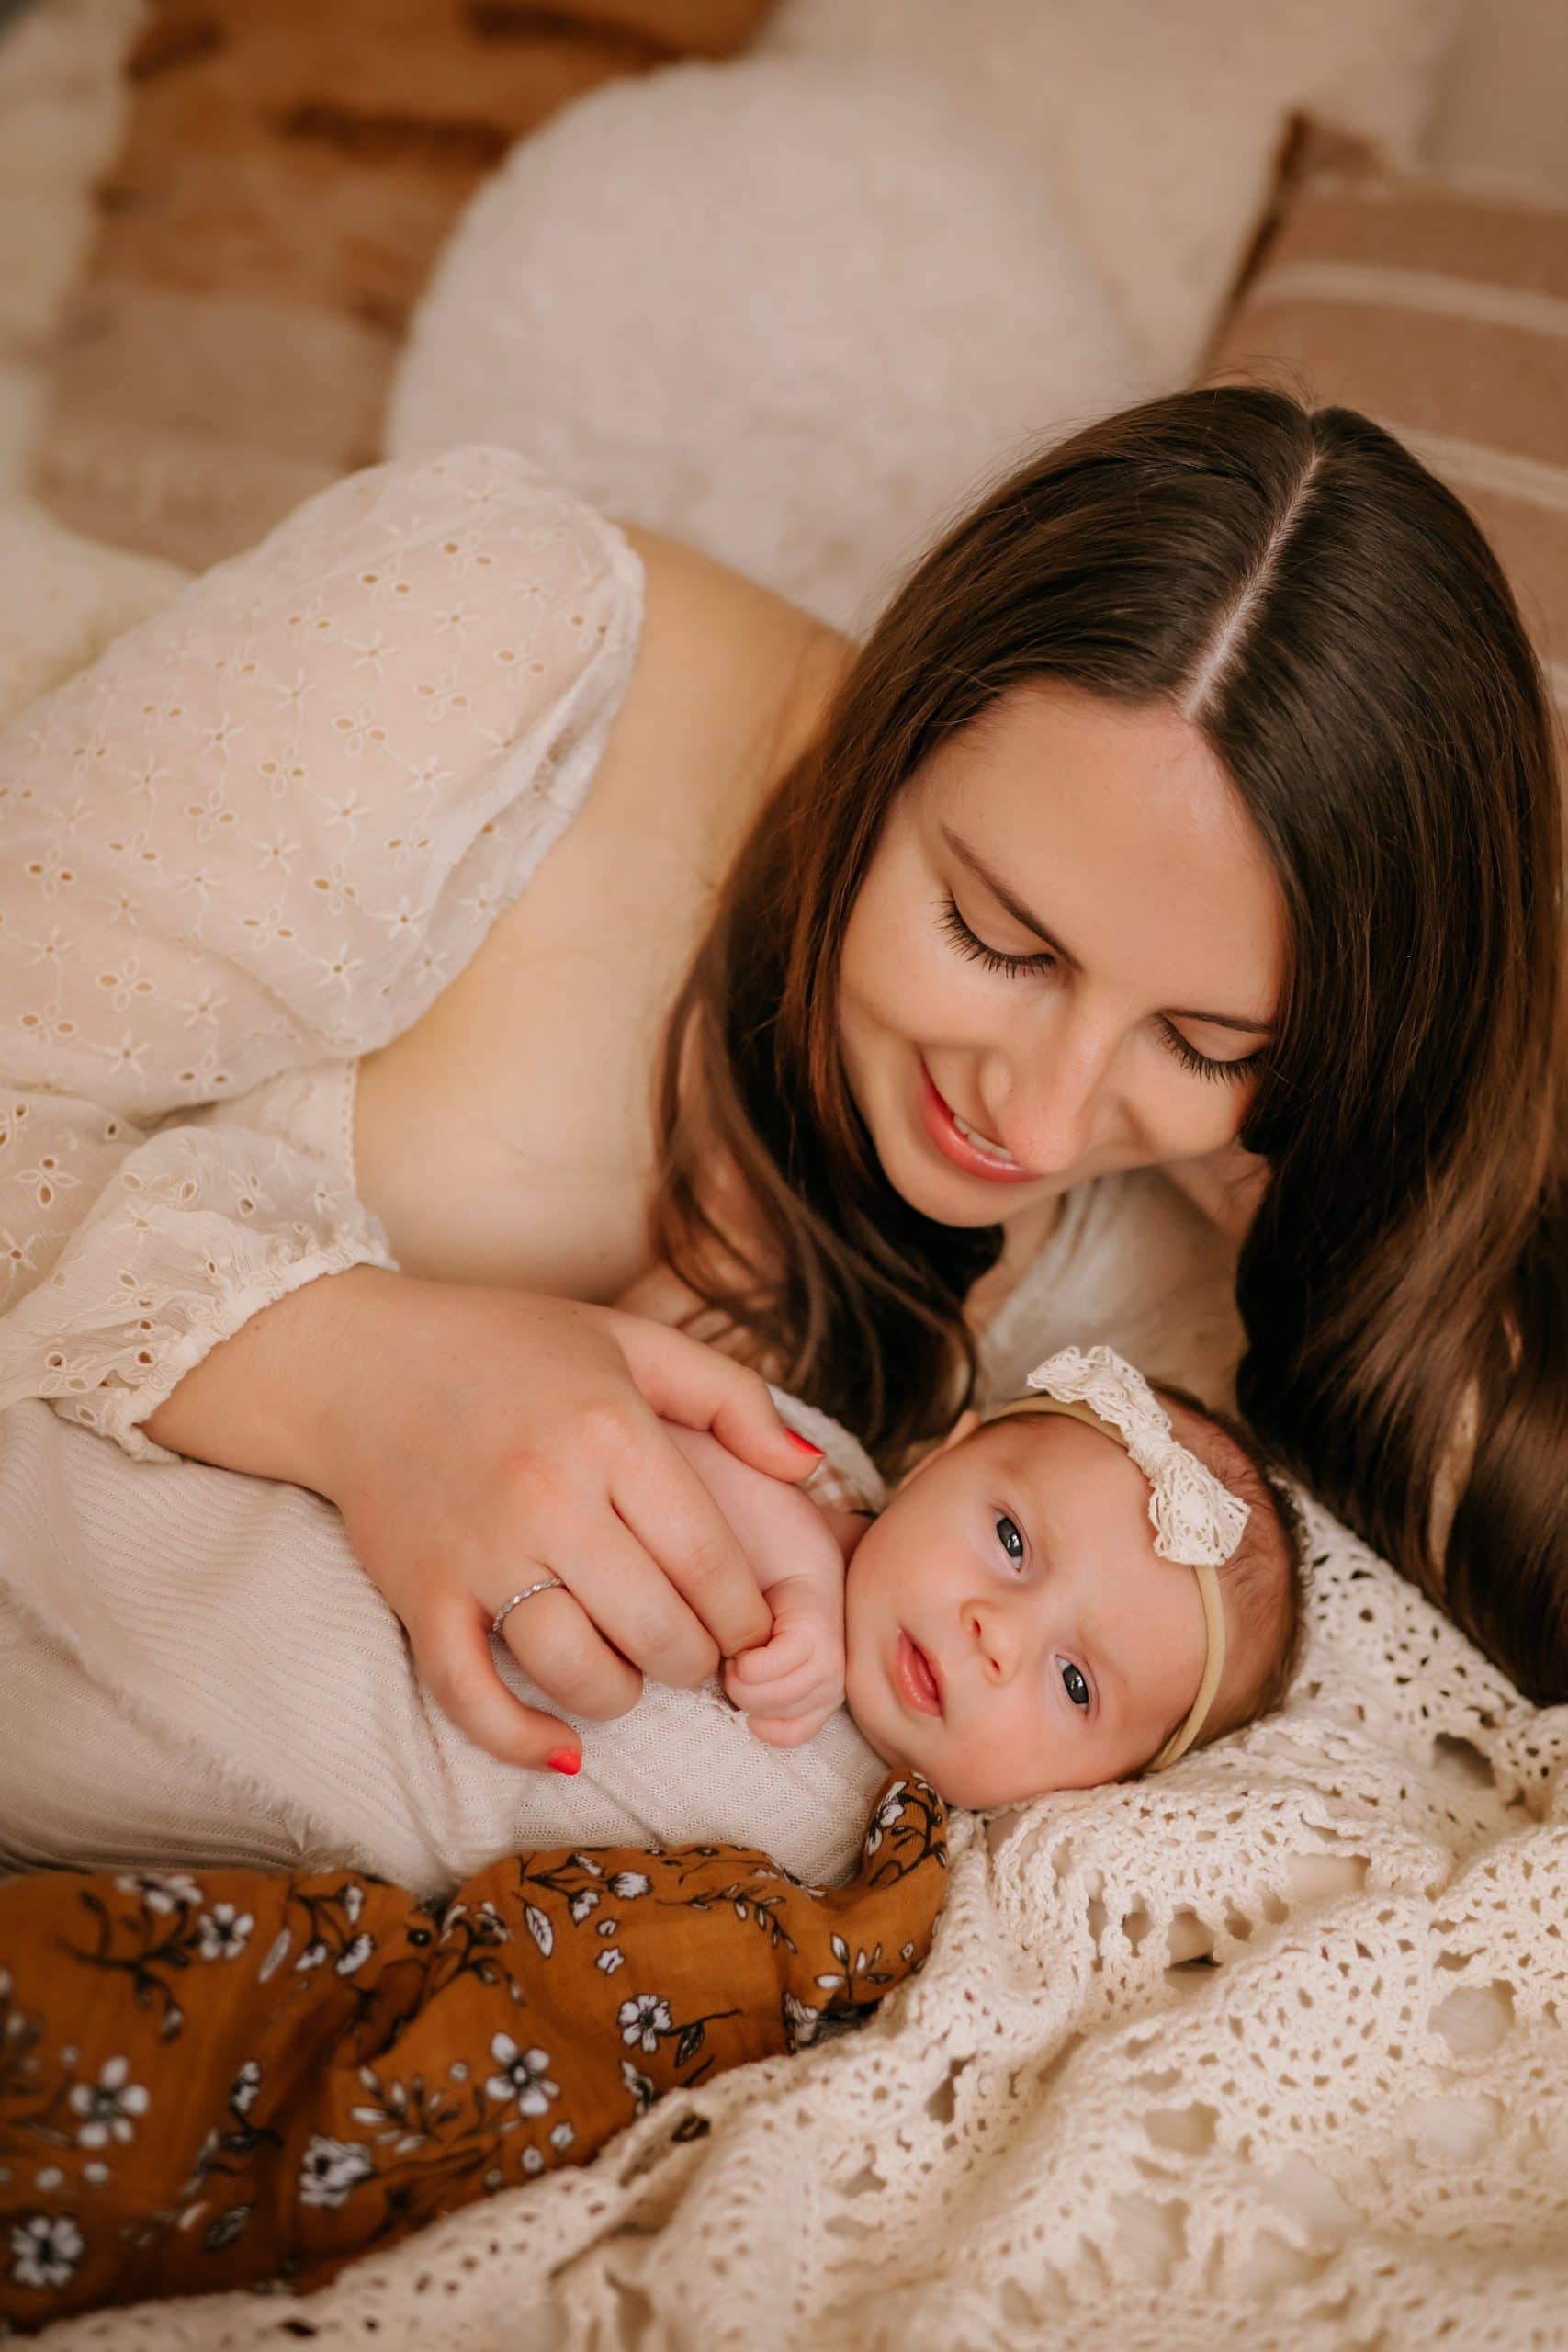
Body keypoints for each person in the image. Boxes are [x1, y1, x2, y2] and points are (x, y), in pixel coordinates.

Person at [1, 388, 1562, 1808]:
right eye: (994, 938)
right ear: (895, 733)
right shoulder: (490, 642)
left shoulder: (1156, 1262)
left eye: (1209, 1044)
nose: (1043, 1115)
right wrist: (348, 1371)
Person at [0, 1344, 1302, 1892]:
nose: (995, 1631)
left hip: (295, 1819)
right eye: (1010, 1540)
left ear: (1107, 1789)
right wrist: (786, 1571)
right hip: (303, 1620)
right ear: (946, 1452)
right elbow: (623, 1426)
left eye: (1074, 1687)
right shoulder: (815, 1478)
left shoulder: (914, 1872)